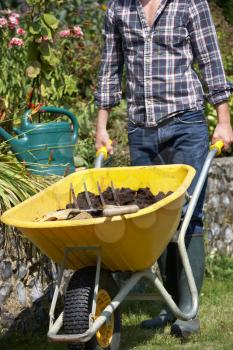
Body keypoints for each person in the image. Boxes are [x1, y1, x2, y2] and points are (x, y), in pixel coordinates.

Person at [94, 0, 233, 338]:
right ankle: (168, 306)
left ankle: (188, 310)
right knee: (153, 219)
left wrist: (224, 120)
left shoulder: (190, 4)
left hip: (186, 122)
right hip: (141, 129)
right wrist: (101, 127)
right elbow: (110, 70)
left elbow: (211, 62)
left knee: (187, 214)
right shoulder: (118, 10)